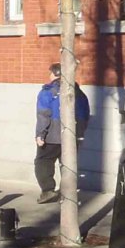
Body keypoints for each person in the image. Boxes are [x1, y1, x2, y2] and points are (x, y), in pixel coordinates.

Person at [34, 62, 90, 203]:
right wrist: (80, 133)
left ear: (54, 74)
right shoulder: (77, 92)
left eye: (50, 73)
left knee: (43, 161)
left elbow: (43, 114)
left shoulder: (47, 92)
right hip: (73, 134)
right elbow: (84, 113)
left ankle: (48, 191)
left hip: (52, 135)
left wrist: (40, 134)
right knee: (68, 164)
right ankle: (68, 192)